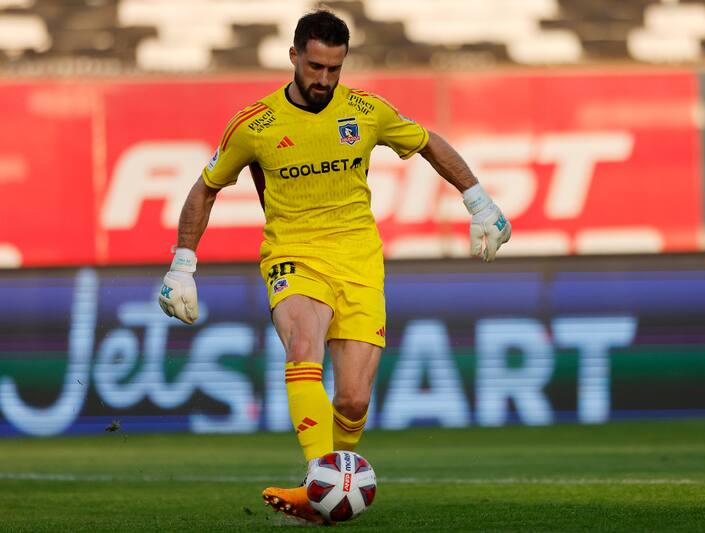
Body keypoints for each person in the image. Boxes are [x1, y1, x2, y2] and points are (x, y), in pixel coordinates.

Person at [157, 9, 511, 523]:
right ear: (295, 56)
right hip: (293, 254)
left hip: (359, 262)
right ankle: (317, 481)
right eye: (315, 67)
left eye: (334, 70)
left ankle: (324, 492)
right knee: (303, 346)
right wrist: (181, 266)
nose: (323, 80)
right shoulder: (255, 125)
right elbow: (207, 186)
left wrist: (478, 201)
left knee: (350, 398)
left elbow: (427, 140)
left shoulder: (366, 111)